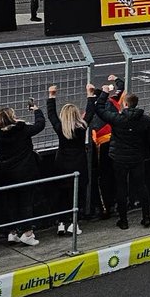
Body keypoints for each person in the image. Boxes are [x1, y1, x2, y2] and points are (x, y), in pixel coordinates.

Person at [89, 84, 150, 229]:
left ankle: (123, 220)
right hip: (137, 158)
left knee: (121, 188)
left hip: (119, 158)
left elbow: (100, 110)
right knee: (141, 187)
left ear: (125, 104)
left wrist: (104, 94)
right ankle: (146, 218)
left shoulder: (117, 119)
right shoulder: (145, 120)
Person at [0, 103, 45, 245]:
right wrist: (37, 111)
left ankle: (12, 232)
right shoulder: (22, 130)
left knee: (11, 203)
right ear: (12, 118)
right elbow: (40, 125)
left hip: (5, 173)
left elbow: (4, 133)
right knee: (26, 202)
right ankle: (28, 233)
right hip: (25, 171)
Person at [46, 86, 88, 237]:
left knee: (62, 195)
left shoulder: (60, 128)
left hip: (61, 165)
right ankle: (74, 224)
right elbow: (91, 112)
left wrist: (51, 96)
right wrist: (92, 95)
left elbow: (51, 115)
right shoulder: (82, 128)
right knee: (77, 195)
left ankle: (61, 223)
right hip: (79, 165)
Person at [85, 75, 124, 220]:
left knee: (101, 179)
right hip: (116, 143)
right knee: (113, 177)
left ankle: (103, 209)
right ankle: (114, 205)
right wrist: (116, 79)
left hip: (100, 147)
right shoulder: (113, 101)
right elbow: (121, 89)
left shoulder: (93, 111)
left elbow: (90, 126)